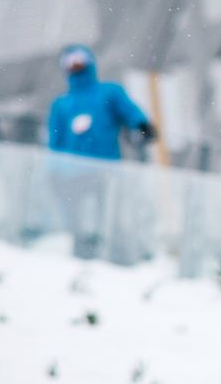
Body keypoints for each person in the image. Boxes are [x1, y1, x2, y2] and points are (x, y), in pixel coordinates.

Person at [47, 44, 156, 260]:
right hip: (71, 174)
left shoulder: (108, 93)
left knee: (110, 216)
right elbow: (55, 142)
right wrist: (53, 171)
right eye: (70, 63)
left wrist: (142, 126)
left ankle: (116, 254)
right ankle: (82, 255)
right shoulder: (62, 105)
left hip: (106, 170)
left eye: (79, 61)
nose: (76, 67)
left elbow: (130, 112)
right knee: (77, 220)